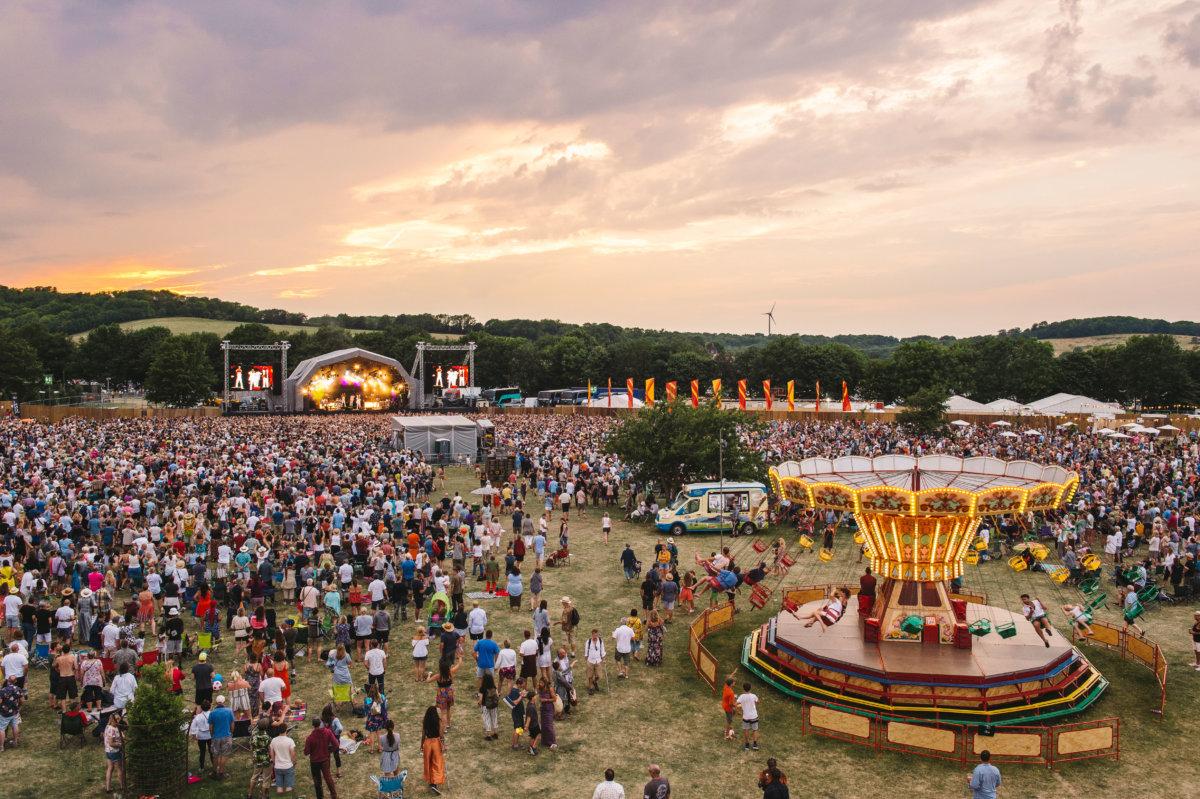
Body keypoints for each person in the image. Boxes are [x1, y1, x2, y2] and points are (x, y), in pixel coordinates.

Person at [303, 718, 340, 799]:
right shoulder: (328, 732)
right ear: (320, 724)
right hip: (325, 760)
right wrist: (330, 750)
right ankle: (334, 795)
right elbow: (336, 744)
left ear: (313, 726)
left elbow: (306, 752)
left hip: (314, 762)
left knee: (317, 781)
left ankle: (320, 797)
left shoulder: (310, 738)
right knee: (328, 777)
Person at [208, 694, 235, 779]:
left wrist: (212, 735)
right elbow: (232, 724)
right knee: (224, 755)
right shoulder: (229, 711)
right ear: (224, 702)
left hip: (216, 736)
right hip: (226, 736)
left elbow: (210, 727)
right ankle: (221, 772)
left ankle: (215, 772)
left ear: (216, 702)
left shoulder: (212, 713)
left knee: (215, 755)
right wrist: (231, 733)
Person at [421, 705, 446, 795]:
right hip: (436, 743)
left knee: (429, 763)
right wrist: (443, 744)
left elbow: (423, 735)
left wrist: (421, 745)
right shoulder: (438, 721)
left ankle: (431, 782)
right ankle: (434, 783)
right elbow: (441, 734)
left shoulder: (425, 721)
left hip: (427, 743)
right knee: (436, 763)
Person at [248, 716, 274, 799]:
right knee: (266, 778)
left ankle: (250, 794)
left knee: (254, 776)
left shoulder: (253, 736)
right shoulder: (268, 738)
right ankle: (263, 796)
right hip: (266, 759)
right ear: (266, 727)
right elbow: (270, 750)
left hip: (256, 758)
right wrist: (272, 759)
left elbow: (251, 748)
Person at [102, 711, 127, 794]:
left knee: (110, 768)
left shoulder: (108, 726)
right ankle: (122, 786)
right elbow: (111, 743)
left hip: (108, 751)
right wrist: (120, 745)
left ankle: (108, 788)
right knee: (119, 769)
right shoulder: (112, 729)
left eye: (119, 718)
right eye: (117, 719)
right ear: (113, 720)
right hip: (114, 751)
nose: (119, 720)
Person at [269, 725, 297, 795]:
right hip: (288, 766)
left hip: (277, 767)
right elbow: (293, 754)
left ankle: (280, 796)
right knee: (289, 787)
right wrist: (293, 763)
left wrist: (274, 762)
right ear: (286, 730)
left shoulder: (273, 740)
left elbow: (271, 754)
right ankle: (288, 796)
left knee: (279, 787)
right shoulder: (290, 740)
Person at [736, 681, 761, 751]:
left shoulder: (741, 696)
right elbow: (758, 702)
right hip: (754, 716)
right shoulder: (753, 696)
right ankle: (755, 745)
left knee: (746, 730)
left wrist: (738, 711)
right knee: (755, 730)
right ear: (750, 688)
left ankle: (747, 745)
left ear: (743, 689)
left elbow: (736, 704)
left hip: (746, 717)